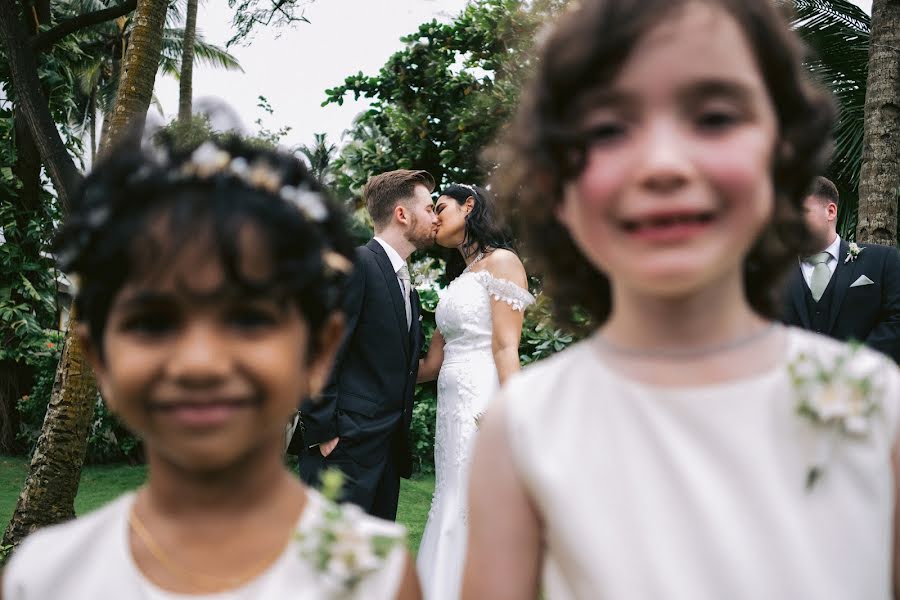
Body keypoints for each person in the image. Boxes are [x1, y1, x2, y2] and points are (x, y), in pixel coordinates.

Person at [463, 1, 900, 599]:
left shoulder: (880, 408)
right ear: (555, 184)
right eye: (609, 128)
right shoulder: (525, 429)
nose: (664, 164)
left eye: (715, 117)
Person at [0, 137, 420, 599]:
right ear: (99, 355)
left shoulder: (380, 571)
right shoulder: (44, 576)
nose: (201, 362)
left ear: (315, 353)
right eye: (153, 322)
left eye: (247, 319)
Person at [415, 184, 533, 600]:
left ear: (470, 205)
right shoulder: (460, 276)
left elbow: (505, 347)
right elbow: (430, 365)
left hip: (482, 398)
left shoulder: (502, 262)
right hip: (451, 403)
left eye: (440, 207)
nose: (434, 216)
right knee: (450, 498)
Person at [299, 169, 436, 521]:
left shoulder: (409, 289)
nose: (435, 218)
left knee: (370, 569)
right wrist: (325, 434)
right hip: (344, 450)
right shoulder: (357, 263)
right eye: (430, 208)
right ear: (402, 214)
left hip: (385, 453)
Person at [783, 176, 900, 363]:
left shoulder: (882, 261)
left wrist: (855, 367)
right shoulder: (772, 274)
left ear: (830, 211)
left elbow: (896, 320)